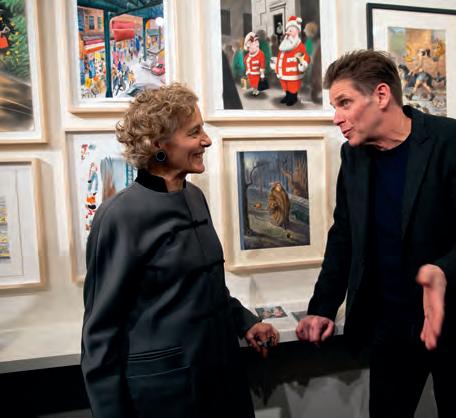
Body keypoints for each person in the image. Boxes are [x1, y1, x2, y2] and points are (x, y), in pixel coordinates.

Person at [296, 50, 456, 418]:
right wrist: (322, 308)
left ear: (381, 95)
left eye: (344, 103)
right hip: (390, 327)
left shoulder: (454, 141)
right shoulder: (353, 156)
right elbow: (344, 236)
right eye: (335, 106)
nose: (336, 118)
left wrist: (442, 271)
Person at [81, 83, 279, 418]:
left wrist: (244, 321)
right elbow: (100, 332)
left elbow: (202, 287)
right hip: (166, 395)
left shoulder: (194, 197)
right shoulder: (120, 215)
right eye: (194, 132)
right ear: (158, 143)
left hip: (222, 379)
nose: (207, 140)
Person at [270, 16, 310, 106]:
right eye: (287, 30)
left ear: (297, 32)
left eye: (290, 31)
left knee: (293, 85)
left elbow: (305, 56)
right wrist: (276, 63)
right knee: (285, 84)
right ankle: (287, 96)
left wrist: (303, 63)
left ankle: (293, 98)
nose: (287, 33)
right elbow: (281, 55)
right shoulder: (284, 44)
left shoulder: (299, 45)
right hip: (283, 72)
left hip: (293, 72)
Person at [243, 31, 266, 96]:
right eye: (253, 41)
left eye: (256, 40)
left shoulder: (260, 54)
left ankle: (256, 90)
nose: (256, 43)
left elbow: (262, 63)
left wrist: (262, 72)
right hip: (250, 73)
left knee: (256, 82)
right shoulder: (248, 55)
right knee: (252, 82)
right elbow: (245, 61)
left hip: (257, 73)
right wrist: (247, 69)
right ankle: (254, 90)